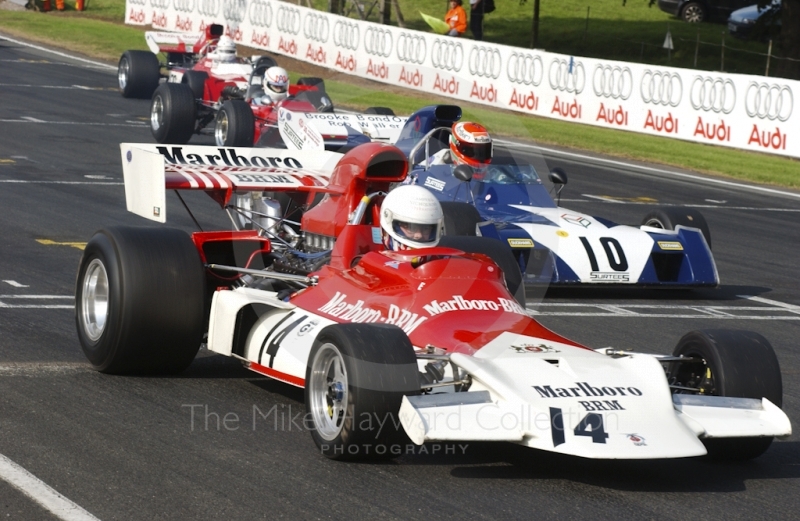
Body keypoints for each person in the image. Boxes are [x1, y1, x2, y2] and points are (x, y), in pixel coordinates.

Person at [379, 185, 444, 251]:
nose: (419, 235)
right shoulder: (370, 258)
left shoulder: (444, 259)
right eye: (411, 228)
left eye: (426, 228)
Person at [429, 121, 493, 169]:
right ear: (456, 144)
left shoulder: (492, 172)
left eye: (484, 151)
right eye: (471, 151)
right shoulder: (435, 165)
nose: (480, 158)